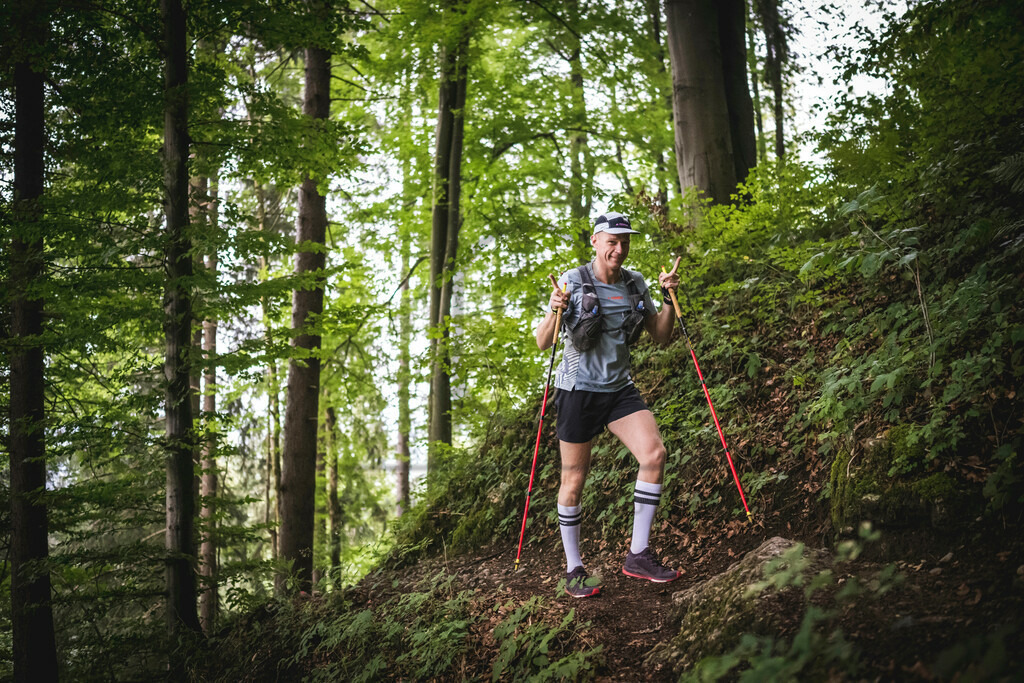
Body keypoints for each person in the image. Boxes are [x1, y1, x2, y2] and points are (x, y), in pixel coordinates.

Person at [535, 211, 682, 598]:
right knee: (574, 480)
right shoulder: (571, 280)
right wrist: (555, 309)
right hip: (577, 391)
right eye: (612, 241)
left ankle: (638, 554)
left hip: (619, 389)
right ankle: (574, 568)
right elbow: (542, 342)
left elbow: (662, 336)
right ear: (596, 242)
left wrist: (669, 298)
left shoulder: (635, 284)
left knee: (654, 454)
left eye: (625, 241)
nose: (619, 248)